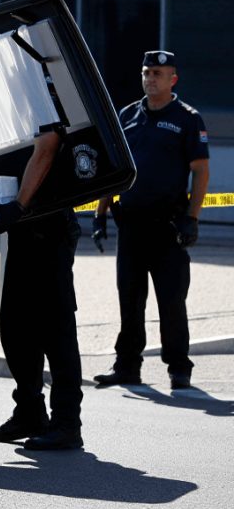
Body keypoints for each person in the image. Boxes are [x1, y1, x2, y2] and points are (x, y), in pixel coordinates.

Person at [0, 129, 84, 451]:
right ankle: (29, 412)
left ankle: (67, 423)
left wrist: (19, 206)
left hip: (51, 221)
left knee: (56, 330)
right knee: (15, 327)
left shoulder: (38, 92)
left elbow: (46, 148)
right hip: (24, 227)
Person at [92, 50, 209, 390]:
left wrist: (192, 219)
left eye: (157, 73)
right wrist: (100, 216)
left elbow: (200, 172)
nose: (150, 78)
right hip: (130, 226)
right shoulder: (127, 115)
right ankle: (127, 365)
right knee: (130, 300)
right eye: (146, 72)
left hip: (168, 226)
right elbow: (114, 172)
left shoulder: (188, 118)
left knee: (171, 300)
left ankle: (179, 367)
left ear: (173, 79)